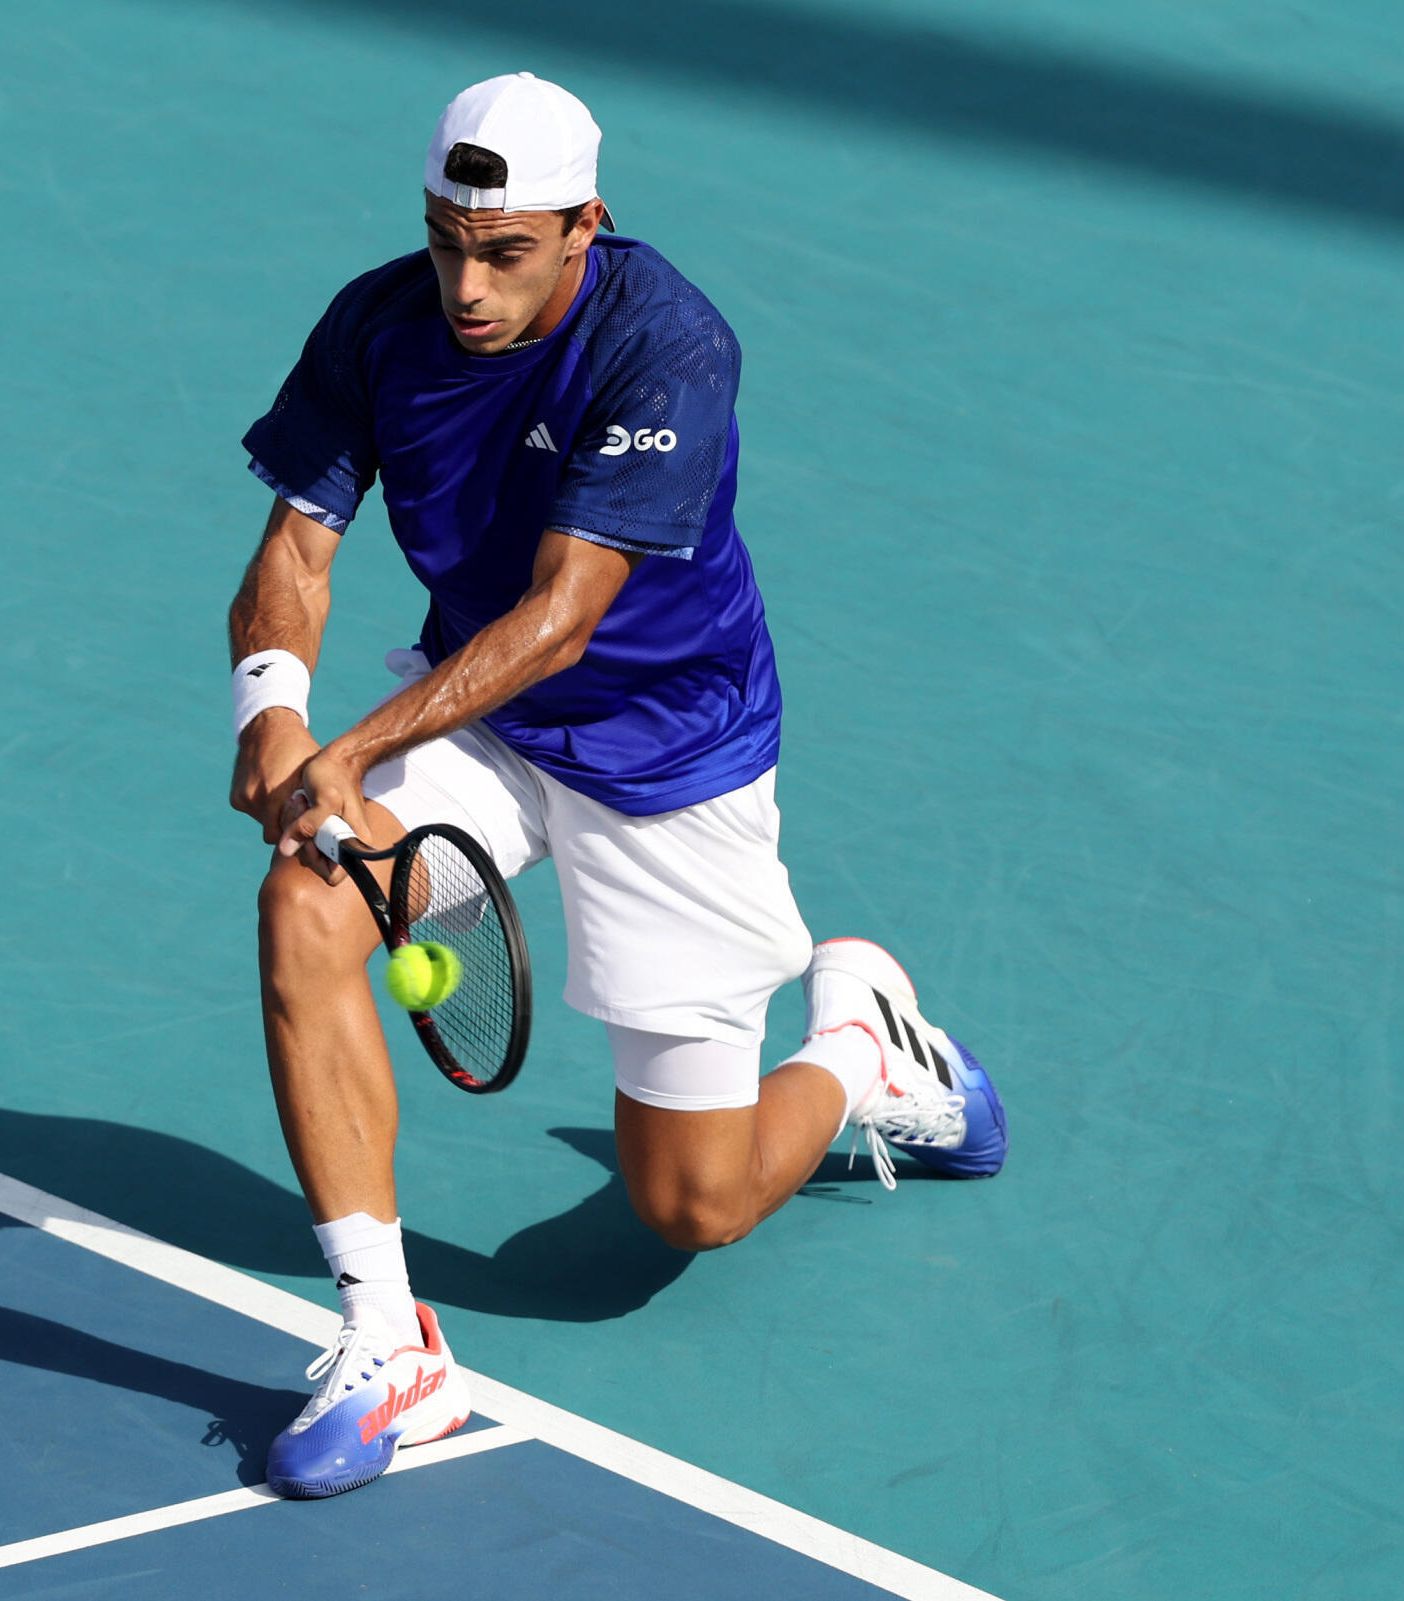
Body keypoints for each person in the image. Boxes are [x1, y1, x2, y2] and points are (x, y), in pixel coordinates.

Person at [225, 72, 1009, 1501]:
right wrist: (273, 708)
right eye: (445, 239)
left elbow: (565, 616)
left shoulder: (668, 347)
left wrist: (348, 745)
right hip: (490, 727)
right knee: (305, 905)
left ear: (586, 226)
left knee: (691, 1205)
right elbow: (299, 545)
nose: (465, 282)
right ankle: (389, 1343)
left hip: (668, 752)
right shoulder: (380, 320)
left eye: (505, 251)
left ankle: (863, 1049)